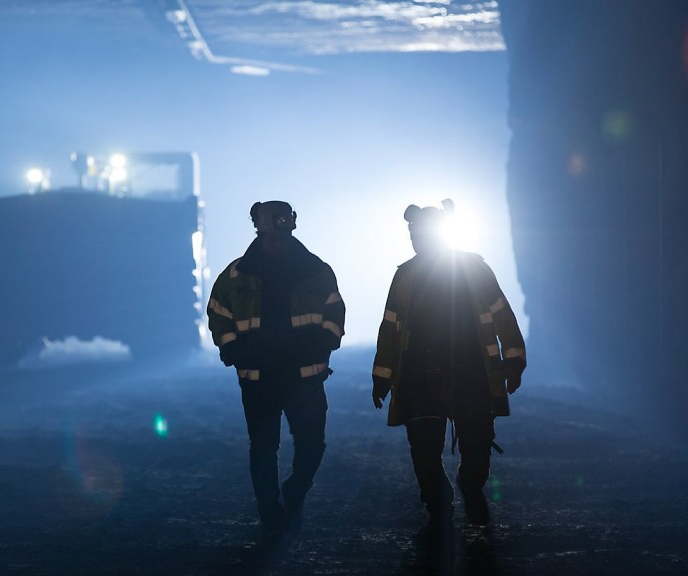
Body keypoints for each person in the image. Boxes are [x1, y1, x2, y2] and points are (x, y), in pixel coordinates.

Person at [372, 200, 526, 533]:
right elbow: (390, 328)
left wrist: (514, 358)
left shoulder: (473, 269)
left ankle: (470, 486)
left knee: (478, 443)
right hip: (419, 377)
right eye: (412, 232)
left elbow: (502, 315)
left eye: (421, 231)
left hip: (470, 373)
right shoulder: (405, 277)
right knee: (424, 449)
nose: (416, 238)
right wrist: (381, 377)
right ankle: (437, 503)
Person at [207, 200, 345, 535]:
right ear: (260, 226)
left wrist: (322, 346)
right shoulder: (236, 274)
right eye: (274, 225)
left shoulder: (317, 270)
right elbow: (218, 311)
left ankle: (295, 490)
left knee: (312, 445)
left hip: (304, 375)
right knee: (264, 446)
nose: (278, 235)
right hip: (259, 376)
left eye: (284, 224)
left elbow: (334, 314)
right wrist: (232, 348)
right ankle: (270, 510)